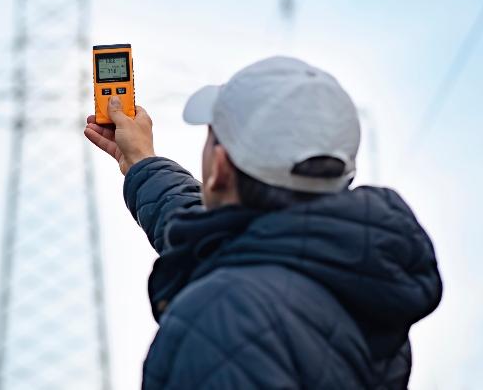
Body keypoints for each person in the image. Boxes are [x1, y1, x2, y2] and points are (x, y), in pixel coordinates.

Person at [84, 56, 442, 390]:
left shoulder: (222, 317)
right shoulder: (355, 289)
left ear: (220, 167)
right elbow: (213, 240)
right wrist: (141, 162)